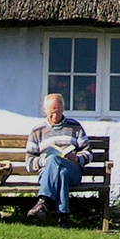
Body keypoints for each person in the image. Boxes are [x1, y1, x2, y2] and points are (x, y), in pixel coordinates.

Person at [25, 93, 91, 224]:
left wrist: (76, 158)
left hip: (73, 170)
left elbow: (88, 153)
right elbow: (29, 163)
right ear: (45, 110)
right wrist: (45, 160)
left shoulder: (74, 126)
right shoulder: (37, 130)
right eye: (52, 112)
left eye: (59, 112)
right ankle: (63, 217)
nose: (56, 116)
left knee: (58, 162)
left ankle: (43, 202)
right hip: (47, 173)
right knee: (61, 172)